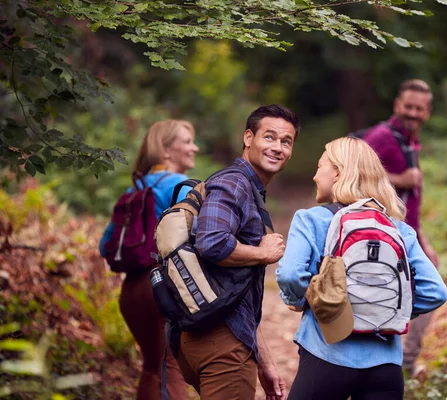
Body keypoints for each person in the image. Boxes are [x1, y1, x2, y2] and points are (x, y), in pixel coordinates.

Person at [276, 136, 447, 400]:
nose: (314, 175)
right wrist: (387, 311)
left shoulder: (311, 219)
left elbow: (290, 275)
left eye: (320, 166)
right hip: (386, 366)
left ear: (337, 173)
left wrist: (299, 300)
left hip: (326, 356)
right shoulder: (398, 229)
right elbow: (435, 291)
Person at [174, 104, 299, 400]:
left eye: (286, 141)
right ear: (248, 138)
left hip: (222, 333)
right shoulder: (234, 182)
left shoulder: (249, 188)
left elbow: (238, 293)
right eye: (269, 137)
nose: (278, 148)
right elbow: (212, 242)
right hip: (220, 342)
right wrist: (262, 253)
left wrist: (263, 361)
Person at [99, 119, 200, 400]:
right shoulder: (183, 186)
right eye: (188, 142)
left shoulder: (134, 190)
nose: (195, 148)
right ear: (166, 151)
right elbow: (206, 237)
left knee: (151, 369)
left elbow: (104, 245)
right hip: (165, 288)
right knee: (172, 371)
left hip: (132, 292)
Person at [361, 79, 438, 376]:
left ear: (428, 112)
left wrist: (422, 238)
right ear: (397, 106)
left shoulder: (409, 139)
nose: (413, 113)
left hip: (407, 232)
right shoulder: (382, 136)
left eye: (419, 108)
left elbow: (407, 201)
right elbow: (355, 172)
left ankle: (401, 356)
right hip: (384, 233)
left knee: (425, 278)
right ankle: (397, 358)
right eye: (408, 106)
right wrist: (400, 179)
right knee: (423, 287)